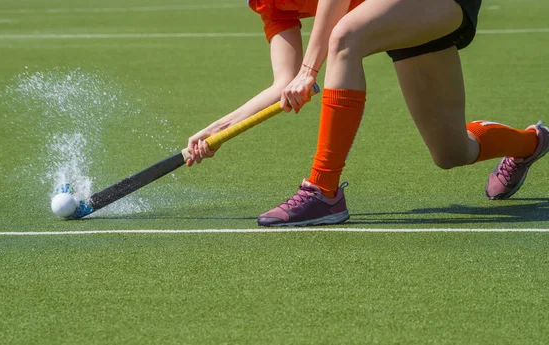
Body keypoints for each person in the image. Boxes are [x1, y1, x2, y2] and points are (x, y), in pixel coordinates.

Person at [186, 0, 549, 227]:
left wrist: (310, 71)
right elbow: (284, 80)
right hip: (399, 15)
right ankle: (531, 142)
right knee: (453, 152)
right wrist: (217, 131)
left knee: (345, 37)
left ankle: (322, 191)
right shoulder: (267, 3)